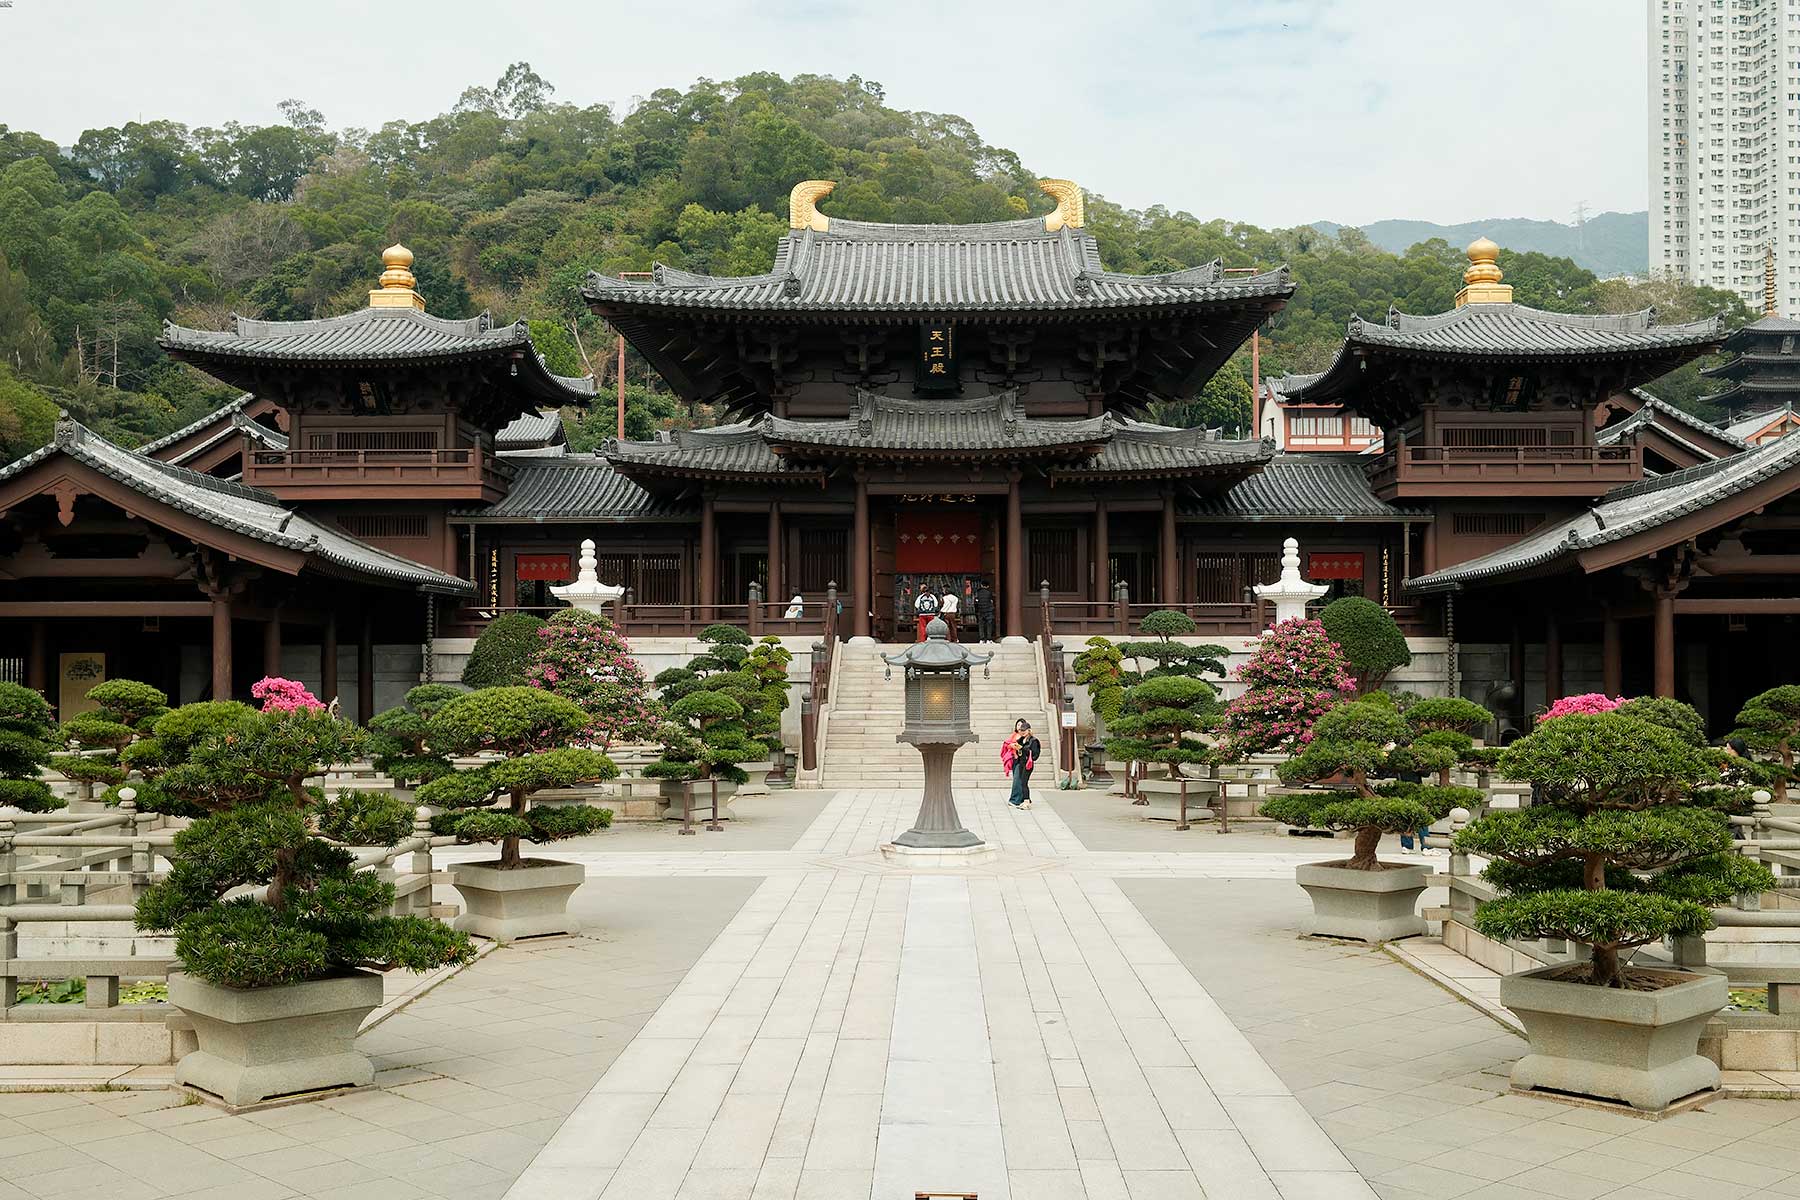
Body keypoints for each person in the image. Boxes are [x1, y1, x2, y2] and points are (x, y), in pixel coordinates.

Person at [1006, 719, 1041, 809]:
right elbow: (1016, 747)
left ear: (1029, 730)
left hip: (1028, 764)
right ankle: (1026, 800)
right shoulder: (1021, 739)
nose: (1022, 732)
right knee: (1022, 783)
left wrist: (1023, 749)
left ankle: (1026, 801)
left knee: (1024, 782)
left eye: (1024, 730)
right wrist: (1015, 747)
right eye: (1021, 730)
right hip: (1021, 763)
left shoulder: (1034, 740)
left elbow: (1034, 754)